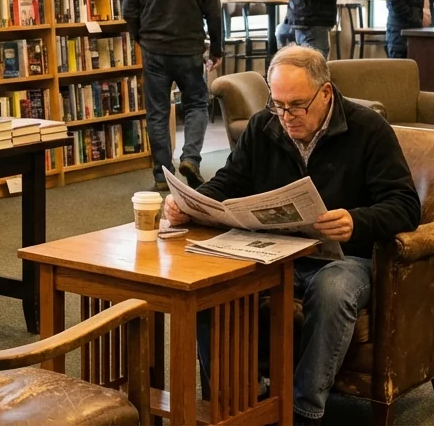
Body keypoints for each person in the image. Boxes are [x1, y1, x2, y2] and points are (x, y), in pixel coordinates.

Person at [164, 46, 420, 425]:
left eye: (297, 106)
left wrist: (356, 220)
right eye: (277, 104)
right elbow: (230, 181)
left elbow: (405, 205)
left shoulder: (368, 129)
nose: (286, 117)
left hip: (344, 257)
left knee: (333, 290)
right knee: (206, 280)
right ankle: (240, 397)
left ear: (326, 93)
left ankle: (304, 411)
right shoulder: (264, 125)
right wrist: (192, 203)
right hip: (273, 251)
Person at [124, 0, 222, 192]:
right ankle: (190, 157)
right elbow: (213, 13)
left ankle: (161, 174)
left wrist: (140, 38)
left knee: (156, 111)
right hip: (189, 49)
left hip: (154, 50)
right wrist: (216, 48)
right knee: (196, 104)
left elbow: (128, 10)